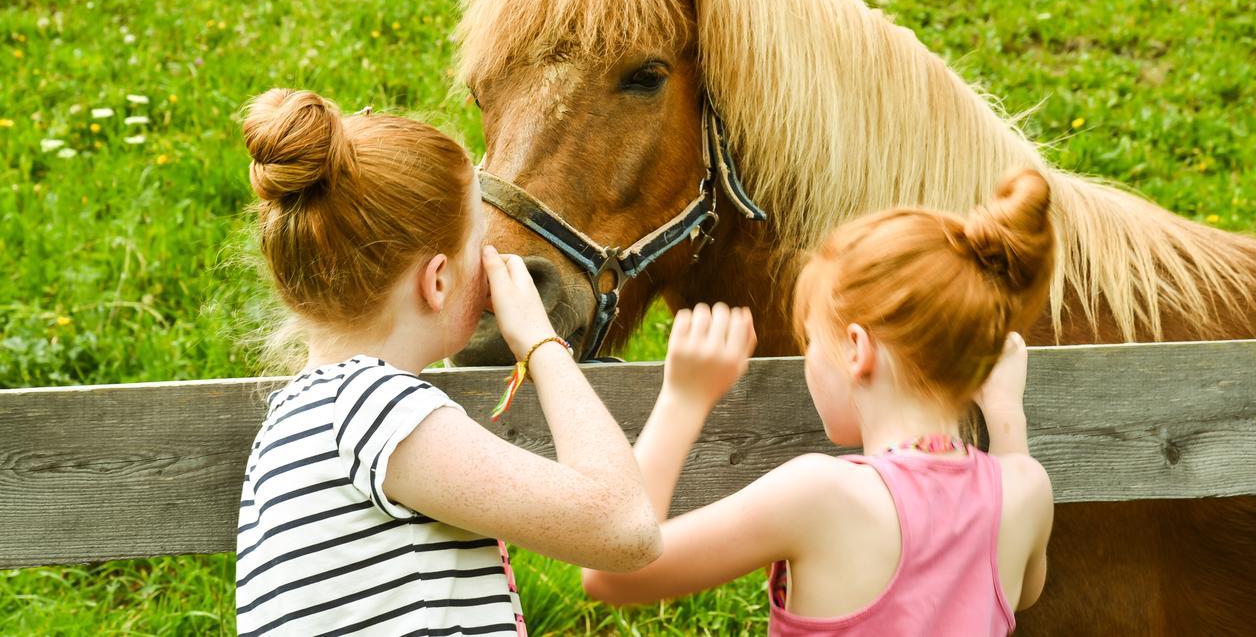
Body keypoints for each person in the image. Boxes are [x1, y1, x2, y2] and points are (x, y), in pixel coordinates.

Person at [235, 89, 661, 637]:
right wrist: (539, 341)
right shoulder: (375, 411)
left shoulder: (303, 414)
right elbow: (626, 528)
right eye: (479, 246)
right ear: (437, 281)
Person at [583, 170, 1056, 636]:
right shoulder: (1024, 492)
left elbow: (612, 572)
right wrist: (1005, 415)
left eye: (810, 341)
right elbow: (1026, 591)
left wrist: (684, 398)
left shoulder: (821, 495)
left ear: (856, 349)